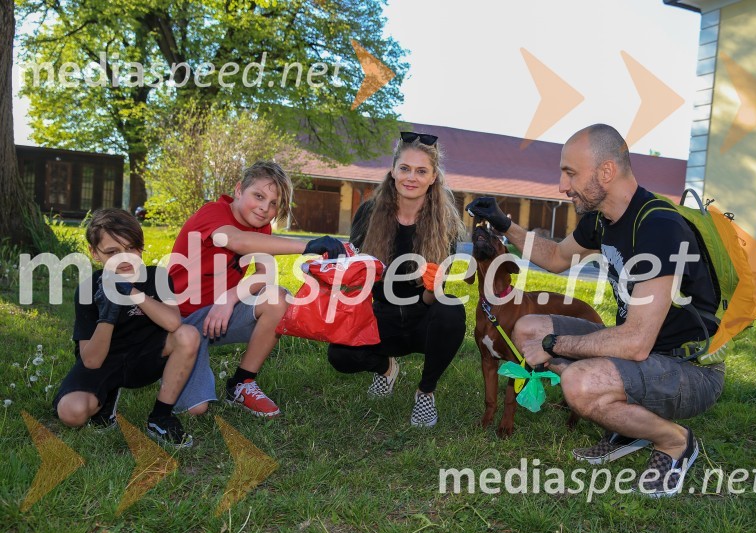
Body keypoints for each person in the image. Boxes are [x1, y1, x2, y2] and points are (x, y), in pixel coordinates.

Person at [466, 124, 724, 497]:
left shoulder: (658, 227)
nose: (561, 185)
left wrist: (555, 343)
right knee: (525, 330)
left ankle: (675, 442)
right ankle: (626, 427)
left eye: (570, 172)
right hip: (645, 353)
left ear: (606, 172)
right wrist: (506, 224)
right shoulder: (603, 220)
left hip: (687, 368)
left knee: (579, 384)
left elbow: (635, 342)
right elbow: (554, 257)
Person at [169, 160, 345, 417]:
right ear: (239, 190)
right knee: (195, 409)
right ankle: (167, 359)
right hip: (180, 321)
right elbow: (237, 241)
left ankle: (242, 383)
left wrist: (230, 297)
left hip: (219, 315)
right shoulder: (213, 212)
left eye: (274, 204)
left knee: (278, 298)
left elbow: (266, 274)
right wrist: (309, 246)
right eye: (258, 196)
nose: (265, 208)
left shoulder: (260, 225)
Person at [327, 132, 467, 427]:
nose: (411, 178)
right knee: (339, 355)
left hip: (421, 319)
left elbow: (432, 297)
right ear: (393, 171)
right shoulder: (368, 213)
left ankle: (425, 392)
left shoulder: (447, 223)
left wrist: (432, 286)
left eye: (421, 171)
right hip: (381, 317)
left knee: (451, 309)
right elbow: (355, 276)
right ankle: (386, 367)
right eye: (404, 168)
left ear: (433, 177)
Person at [53, 208, 199, 448]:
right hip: (104, 363)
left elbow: (174, 323)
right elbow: (91, 361)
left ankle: (160, 416)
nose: (125, 258)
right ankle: (107, 395)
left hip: (144, 359)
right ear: (94, 253)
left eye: (131, 248)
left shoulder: (157, 277)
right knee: (72, 413)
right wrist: (108, 314)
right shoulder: (89, 289)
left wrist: (130, 292)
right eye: (112, 252)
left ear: (141, 248)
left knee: (188, 334)